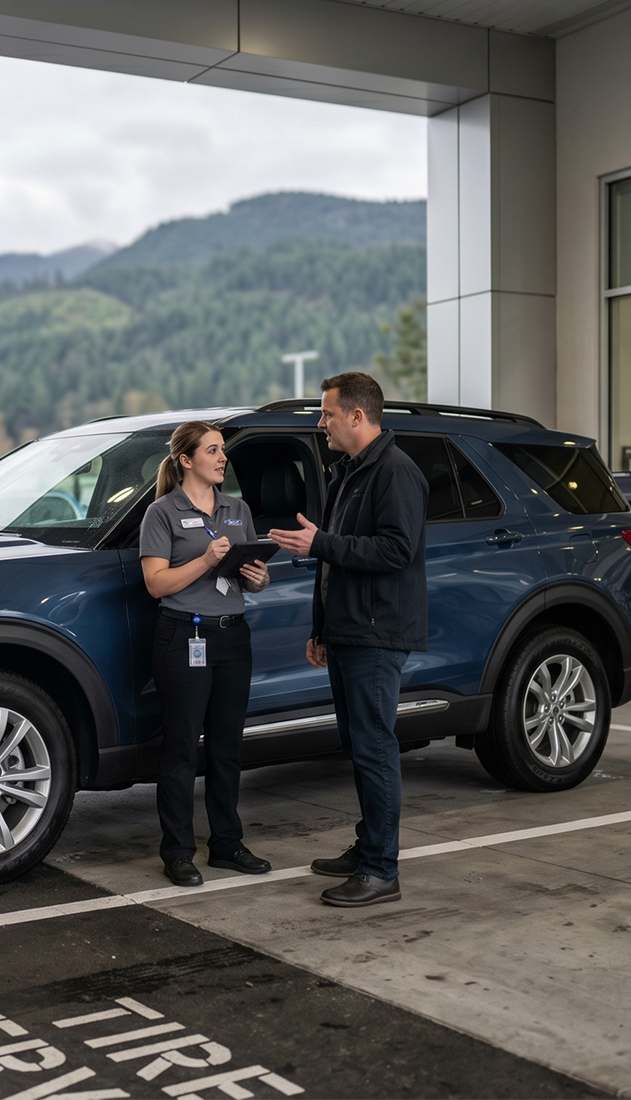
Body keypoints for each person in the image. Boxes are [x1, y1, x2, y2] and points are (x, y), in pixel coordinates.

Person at [267, 372, 427, 909]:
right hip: (348, 630)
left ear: (357, 416)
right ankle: (369, 847)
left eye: (328, 414)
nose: (322, 423)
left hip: (377, 634)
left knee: (375, 748)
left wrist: (321, 543)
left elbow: (396, 551)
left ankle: (382, 871)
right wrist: (321, 628)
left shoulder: (396, 472)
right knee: (361, 747)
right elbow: (331, 559)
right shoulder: (348, 473)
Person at [138, 421, 273, 887]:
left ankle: (227, 844)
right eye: (212, 450)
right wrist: (205, 560)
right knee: (180, 749)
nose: (222, 458)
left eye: (222, 450)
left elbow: (252, 576)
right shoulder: (162, 513)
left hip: (233, 637)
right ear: (186, 460)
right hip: (184, 636)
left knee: (227, 748)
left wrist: (259, 578)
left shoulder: (238, 509)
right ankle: (177, 851)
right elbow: (156, 583)